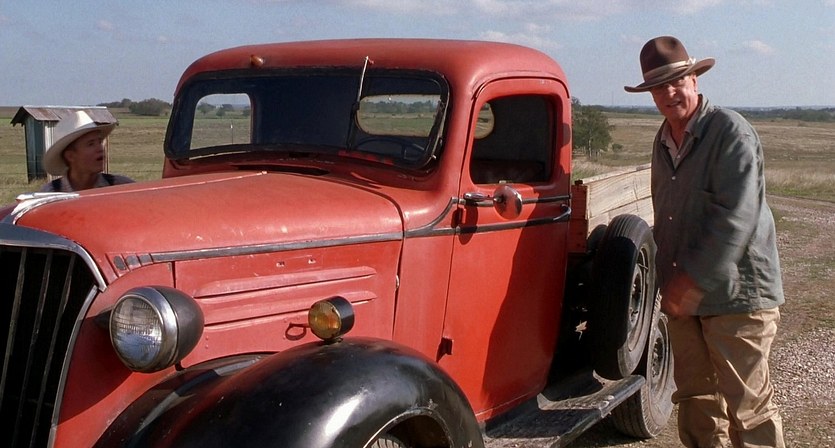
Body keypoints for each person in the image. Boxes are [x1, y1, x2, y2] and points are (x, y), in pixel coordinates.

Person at [624, 36, 785, 447]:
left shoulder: (730, 131)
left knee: (748, 408)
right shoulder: (663, 140)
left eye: (677, 82)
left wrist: (691, 282)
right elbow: (666, 216)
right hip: (684, 299)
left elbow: (737, 218)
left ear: (695, 80)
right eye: (658, 87)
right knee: (696, 401)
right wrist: (671, 283)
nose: (669, 94)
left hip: (737, 296)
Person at [40, 110, 134, 192]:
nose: (100, 148)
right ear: (70, 156)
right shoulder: (50, 195)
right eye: (91, 144)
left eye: (99, 142)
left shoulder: (122, 188)